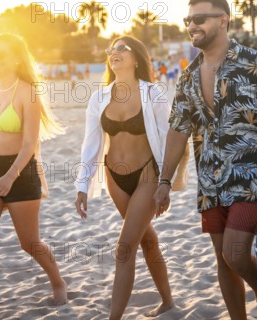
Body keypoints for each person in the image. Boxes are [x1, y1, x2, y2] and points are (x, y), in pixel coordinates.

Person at [153, 0, 257, 320]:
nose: (191, 26)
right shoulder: (188, 76)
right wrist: (164, 182)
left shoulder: (256, 64)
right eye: (188, 20)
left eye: (199, 19)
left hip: (252, 176)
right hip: (210, 180)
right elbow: (177, 131)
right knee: (222, 259)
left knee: (235, 253)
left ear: (223, 20)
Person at [74, 36, 188, 320]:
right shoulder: (99, 97)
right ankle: (168, 302)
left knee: (124, 247)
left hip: (147, 176)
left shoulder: (152, 94)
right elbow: (90, 144)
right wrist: (82, 186)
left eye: (122, 49)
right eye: (111, 49)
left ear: (136, 59)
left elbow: (167, 138)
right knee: (146, 240)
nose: (114, 53)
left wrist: (165, 183)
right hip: (114, 177)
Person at [0, 33, 68, 319]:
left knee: (29, 243)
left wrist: (10, 176)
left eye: (2, 54)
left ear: (17, 58)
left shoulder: (27, 92)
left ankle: (58, 282)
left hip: (19, 173)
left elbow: (30, 142)